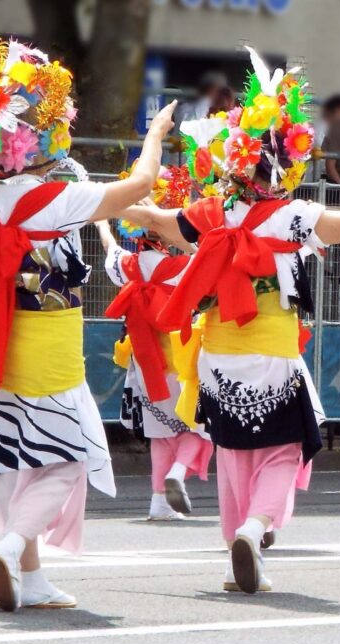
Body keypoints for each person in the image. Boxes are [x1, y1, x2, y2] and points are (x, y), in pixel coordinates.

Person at [123, 47, 340, 595]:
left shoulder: (212, 211)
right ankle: (256, 530)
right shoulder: (293, 215)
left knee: (235, 453)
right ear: (285, 163)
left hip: (216, 362)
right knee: (288, 448)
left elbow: (147, 216)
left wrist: (116, 176)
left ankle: (241, 536)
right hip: (274, 356)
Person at [0, 37, 178, 611]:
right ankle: (10, 544)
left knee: (5, 452)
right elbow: (139, 187)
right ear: (44, 137)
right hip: (49, 343)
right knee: (69, 456)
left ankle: (30, 577)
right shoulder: (55, 198)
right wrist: (153, 138)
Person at [95, 164, 212, 522]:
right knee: (201, 428)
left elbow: (110, 251)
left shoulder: (128, 267)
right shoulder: (181, 267)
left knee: (161, 435)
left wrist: (102, 222)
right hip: (183, 360)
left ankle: (158, 502)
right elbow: (206, 254)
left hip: (146, 368)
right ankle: (179, 472)